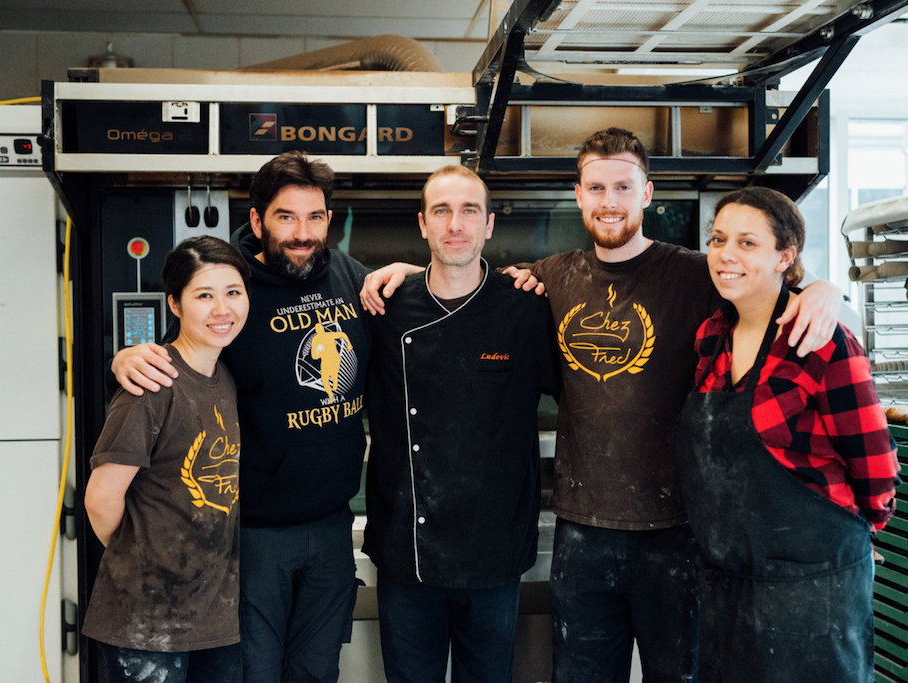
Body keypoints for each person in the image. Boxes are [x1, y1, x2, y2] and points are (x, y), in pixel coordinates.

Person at [361, 128, 843, 682]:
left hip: (674, 526)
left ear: (647, 193)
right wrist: (405, 274)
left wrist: (823, 290)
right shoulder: (549, 278)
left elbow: (763, 286)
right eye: (596, 188)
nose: (608, 202)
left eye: (622, 187)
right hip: (582, 530)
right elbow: (463, 280)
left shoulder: (694, 271)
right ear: (579, 195)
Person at [110, 152, 371, 682]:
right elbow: (174, 365)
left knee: (318, 672)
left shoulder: (347, 273)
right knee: (255, 673)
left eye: (315, 217)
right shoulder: (232, 286)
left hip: (331, 528)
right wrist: (126, 355)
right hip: (253, 537)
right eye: (285, 217)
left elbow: (420, 294)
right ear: (256, 220)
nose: (303, 233)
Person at [674, 187, 899, 683]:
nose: (726, 254)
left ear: (786, 256)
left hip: (812, 591)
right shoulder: (713, 336)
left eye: (747, 243)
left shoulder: (822, 340)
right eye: (718, 239)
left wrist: (854, 538)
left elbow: (876, 465)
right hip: (729, 584)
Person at [362, 165, 559, 682]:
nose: (456, 224)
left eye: (469, 210)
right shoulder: (384, 306)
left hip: (493, 551)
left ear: (489, 225)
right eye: (442, 211)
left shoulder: (526, 308)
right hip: (408, 550)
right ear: (422, 225)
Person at [83, 236, 250, 683]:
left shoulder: (225, 378)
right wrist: (140, 558)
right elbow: (101, 499)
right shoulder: (153, 383)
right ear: (174, 305)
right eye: (204, 296)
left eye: (233, 293)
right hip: (145, 623)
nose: (223, 309)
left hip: (212, 618)